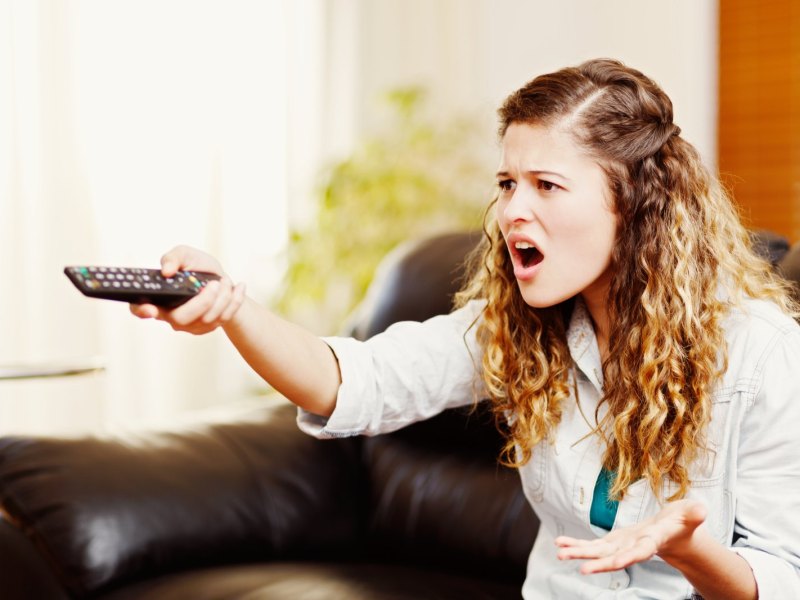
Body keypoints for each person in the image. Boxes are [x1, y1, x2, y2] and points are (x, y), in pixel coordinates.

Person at [130, 59, 800, 599]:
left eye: (546, 185)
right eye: (508, 183)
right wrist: (233, 308)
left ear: (635, 205)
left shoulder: (761, 353)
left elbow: (777, 579)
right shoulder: (518, 326)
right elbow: (352, 381)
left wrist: (688, 550)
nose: (513, 210)